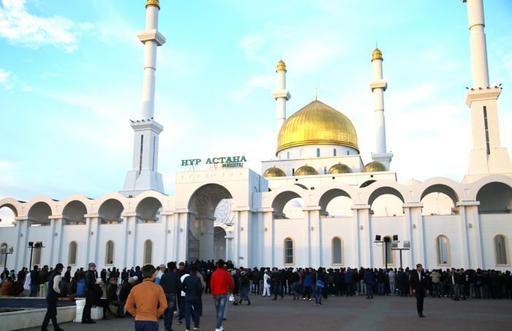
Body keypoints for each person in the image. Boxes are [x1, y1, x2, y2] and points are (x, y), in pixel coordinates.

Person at [125, 264, 168, 331]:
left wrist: (135, 314)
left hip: (139, 320)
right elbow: (164, 305)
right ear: (154, 275)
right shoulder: (158, 288)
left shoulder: (135, 288)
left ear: (142, 275)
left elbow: (128, 306)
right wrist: (157, 314)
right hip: (152, 320)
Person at [210, 260, 234, 331]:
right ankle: (218, 327)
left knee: (218, 311)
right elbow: (231, 283)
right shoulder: (226, 273)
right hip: (223, 294)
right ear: (223, 265)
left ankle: (219, 325)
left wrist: (212, 293)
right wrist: (231, 290)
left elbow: (212, 284)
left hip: (215, 294)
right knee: (221, 311)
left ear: (217, 265)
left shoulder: (214, 273)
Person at [41, 263, 64, 331]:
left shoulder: (52, 274)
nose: (62, 269)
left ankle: (56, 327)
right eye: (62, 268)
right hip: (53, 296)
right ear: (60, 269)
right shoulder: (57, 276)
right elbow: (55, 287)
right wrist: (60, 292)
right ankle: (44, 328)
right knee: (50, 313)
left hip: (50, 295)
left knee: (52, 313)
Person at [181, 264, 203, 331]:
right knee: (196, 312)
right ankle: (196, 326)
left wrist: (186, 291)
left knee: (187, 312)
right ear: (196, 271)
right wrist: (199, 295)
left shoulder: (187, 278)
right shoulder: (197, 279)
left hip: (188, 296)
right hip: (196, 297)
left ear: (190, 271)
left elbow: (182, 287)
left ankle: (187, 327)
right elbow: (200, 289)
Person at [160, 262, 180, 331]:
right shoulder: (176, 275)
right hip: (172, 294)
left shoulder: (164, 275)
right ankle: (168, 328)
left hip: (164, 294)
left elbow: (161, 285)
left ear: (168, 268)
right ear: (174, 268)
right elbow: (179, 286)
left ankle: (166, 327)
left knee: (165, 311)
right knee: (170, 312)